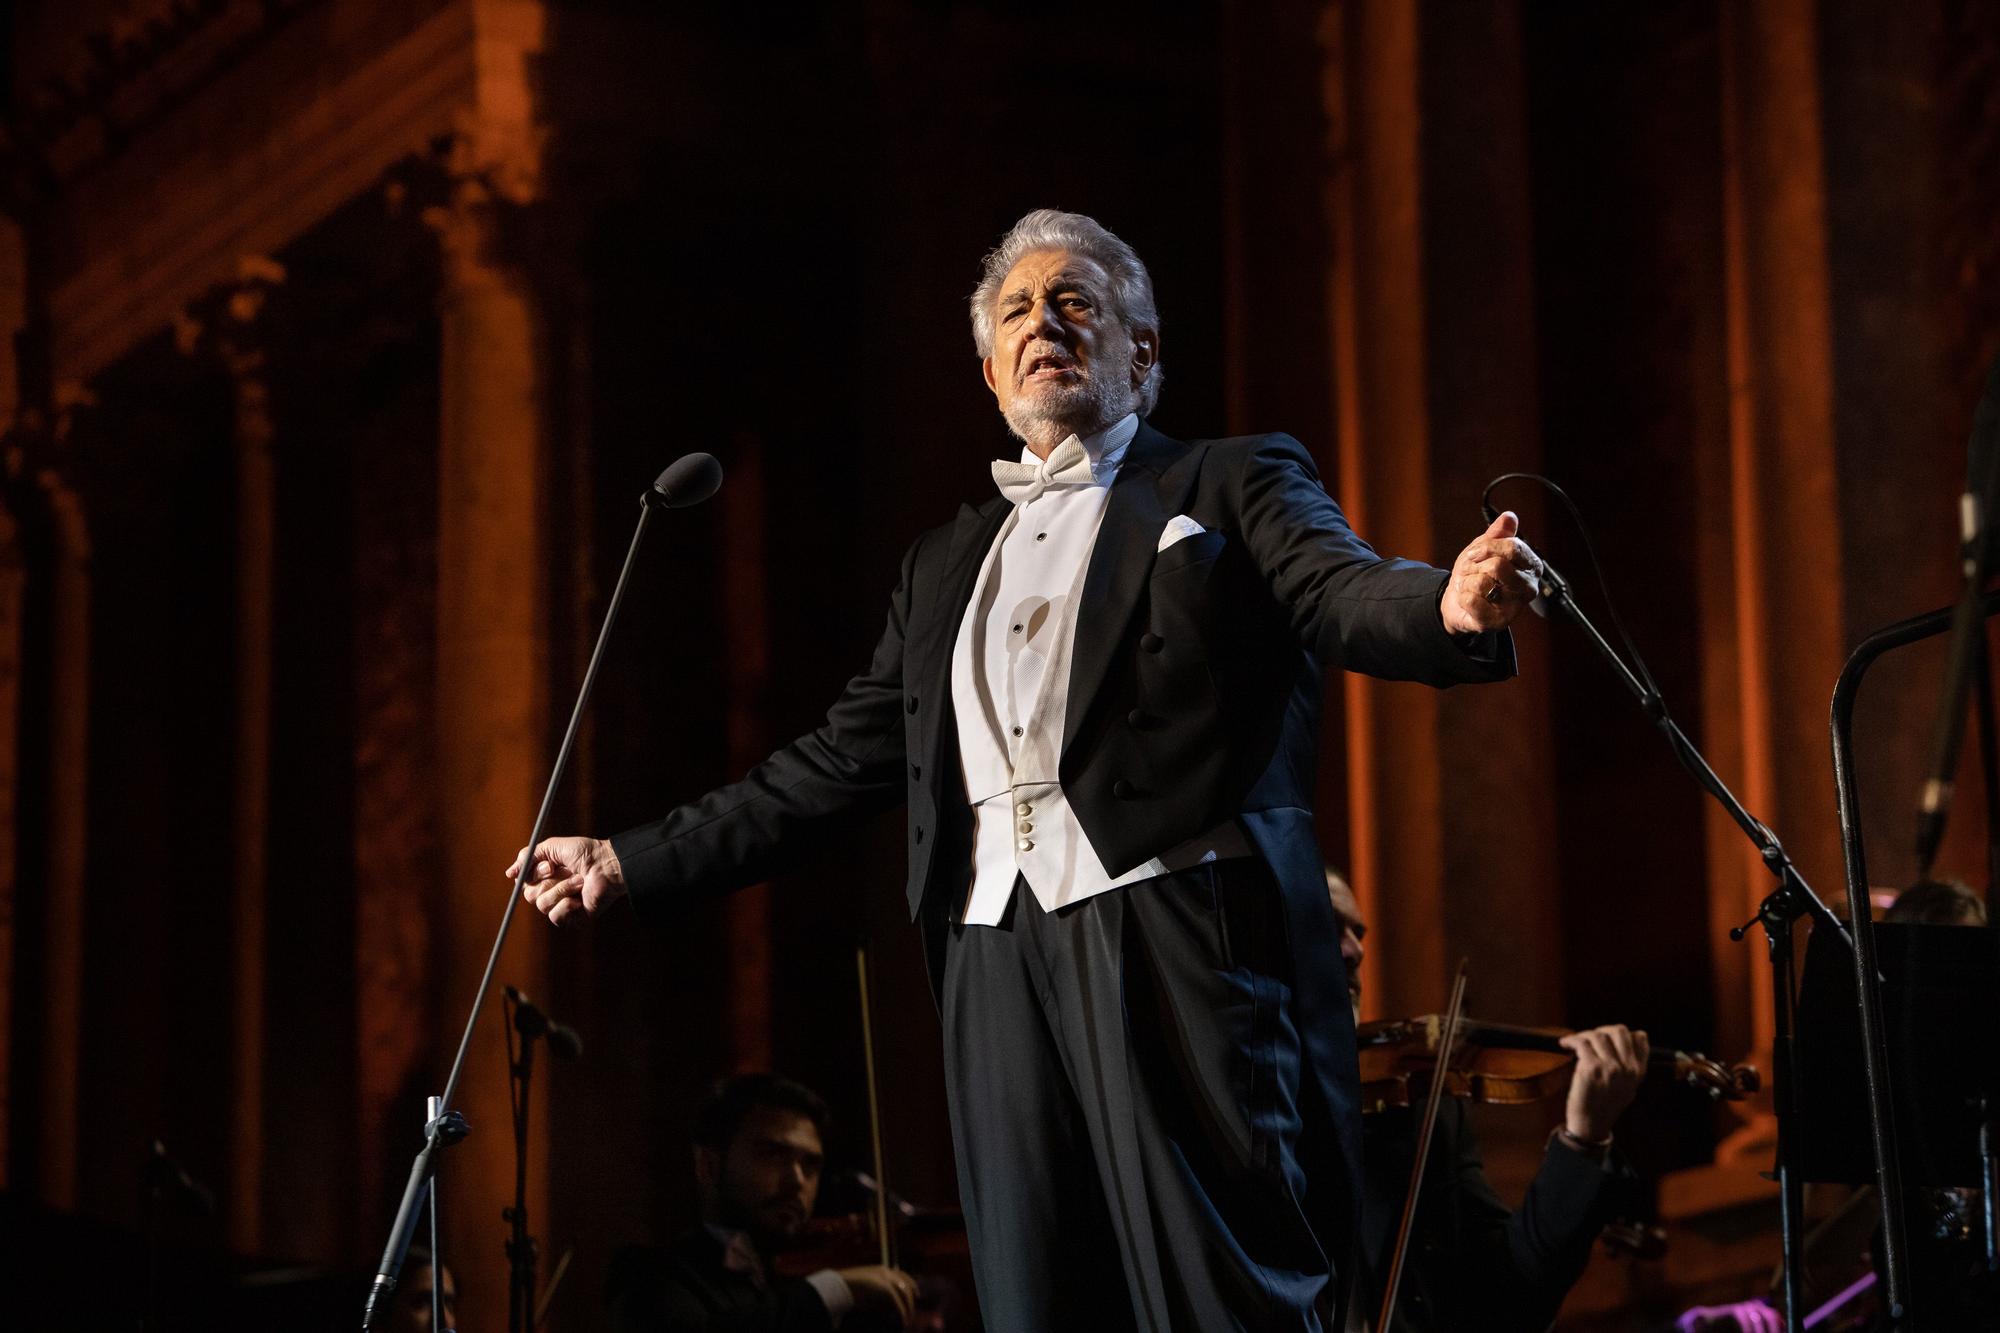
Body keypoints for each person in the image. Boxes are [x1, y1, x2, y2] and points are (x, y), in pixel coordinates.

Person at [512, 208, 1543, 1330]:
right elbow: (834, 763)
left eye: (1075, 302)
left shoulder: (1225, 482)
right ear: (993, 375)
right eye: (1015, 311)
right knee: (1037, 1298)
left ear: (1139, 354)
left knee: (1216, 1292)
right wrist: (629, 856)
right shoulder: (943, 562)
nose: (1042, 323)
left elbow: (1338, 587)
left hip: (1171, 932)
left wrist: (1443, 603)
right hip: (990, 952)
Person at [1326, 868, 1644, 1331]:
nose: (1355, 951)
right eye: (1328, 925)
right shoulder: (1229, 1105)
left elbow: (1508, 1295)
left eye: (1358, 932)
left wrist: (1583, 1139)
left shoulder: (1418, 1110)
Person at [606, 1073, 920, 1332]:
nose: (797, 1180)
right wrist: (833, 1289)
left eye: (810, 1165)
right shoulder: (648, 1275)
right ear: (709, 1166)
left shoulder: (797, 1279)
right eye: (772, 1154)